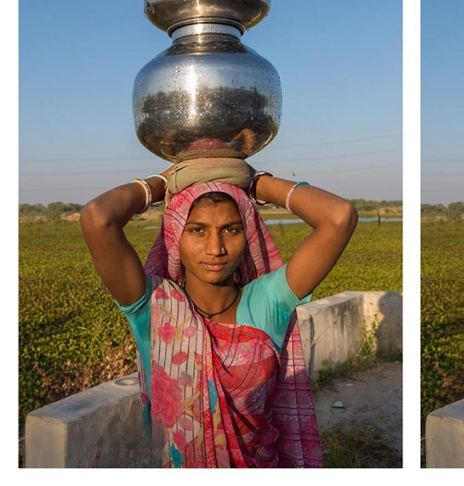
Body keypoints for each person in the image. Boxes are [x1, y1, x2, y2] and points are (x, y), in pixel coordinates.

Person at [81, 159, 358, 468]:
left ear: (248, 234)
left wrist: (255, 183)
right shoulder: (154, 306)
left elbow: (339, 217)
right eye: (198, 230)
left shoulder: (268, 300)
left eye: (230, 229)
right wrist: (163, 182)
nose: (216, 248)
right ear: (175, 237)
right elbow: (98, 218)